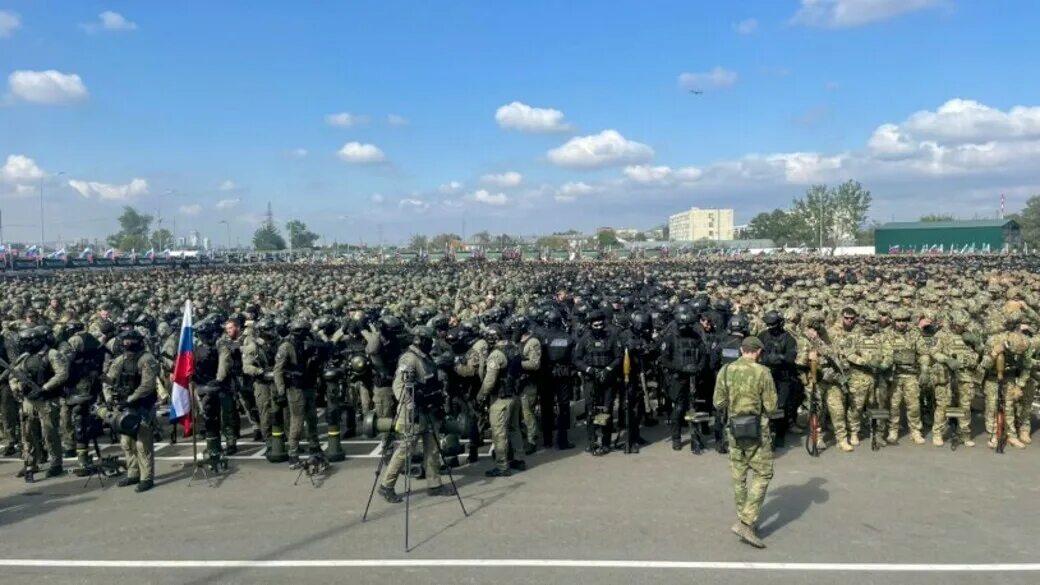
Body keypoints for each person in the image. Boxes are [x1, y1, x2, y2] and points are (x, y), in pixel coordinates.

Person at [378, 326, 457, 502]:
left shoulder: (424, 356)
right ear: (421, 340)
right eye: (429, 340)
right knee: (406, 449)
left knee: (433, 448)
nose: (432, 343)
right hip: (413, 411)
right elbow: (398, 386)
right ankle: (386, 485)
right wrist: (411, 403)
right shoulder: (409, 358)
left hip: (429, 409)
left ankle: (434, 484)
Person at [713, 336, 777, 549]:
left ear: (742, 350)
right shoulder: (763, 372)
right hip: (757, 429)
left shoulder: (726, 370)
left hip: (734, 428)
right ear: (758, 352)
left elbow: (718, 402)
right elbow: (771, 406)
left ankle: (745, 519)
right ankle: (747, 521)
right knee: (764, 473)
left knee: (739, 476)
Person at [102, 329, 158, 492]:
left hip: (142, 405)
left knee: (142, 443)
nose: (127, 343)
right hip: (126, 405)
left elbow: (147, 385)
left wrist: (131, 398)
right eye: (125, 340)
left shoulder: (147, 359)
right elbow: (111, 378)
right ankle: (133, 473)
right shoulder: (121, 359)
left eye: (130, 340)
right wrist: (100, 376)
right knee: (126, 443)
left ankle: (146, 477)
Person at [10, 326, 69, 479]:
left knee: (49, 432)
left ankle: (56, 464)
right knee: (27, 433)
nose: (23, 345)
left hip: (47, 399)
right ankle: (30, 463)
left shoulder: (52, 354)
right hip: (28, 400)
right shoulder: (24, 357)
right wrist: (16, 387)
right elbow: (13, 375)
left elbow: (62, 373)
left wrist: (45, 387)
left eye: (26, 342)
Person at [480, 323, 526, 476]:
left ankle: (502, 465)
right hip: (514, 395)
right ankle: (519, 459)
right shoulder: (514, 348)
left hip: (500, 399)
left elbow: (489, 381)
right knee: (515, 429)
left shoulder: (496, 355)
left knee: (499, 433)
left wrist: (481, 395)